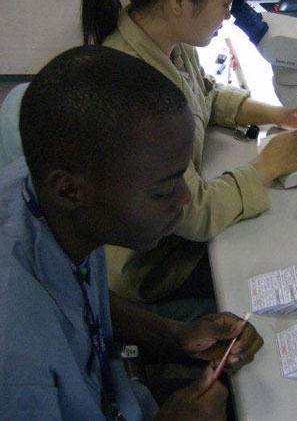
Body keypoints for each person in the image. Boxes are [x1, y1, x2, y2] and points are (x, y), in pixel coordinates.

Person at [0, 46, 263, 420]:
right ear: (69, 190)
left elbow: (78, 295)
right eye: (162, 190)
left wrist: (175, 337)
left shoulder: (40, 192)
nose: (185, 198)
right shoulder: (18, 367)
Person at [81, 0, 297, 303]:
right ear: (178, 0)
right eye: (225, 3)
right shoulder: (136, 91)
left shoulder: (162, 39)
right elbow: (195, 212)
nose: (229, 16)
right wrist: (270, 164)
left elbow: (205, 94)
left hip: (170, 239)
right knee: (279, 270)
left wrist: (274, 114)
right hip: (147, 269)